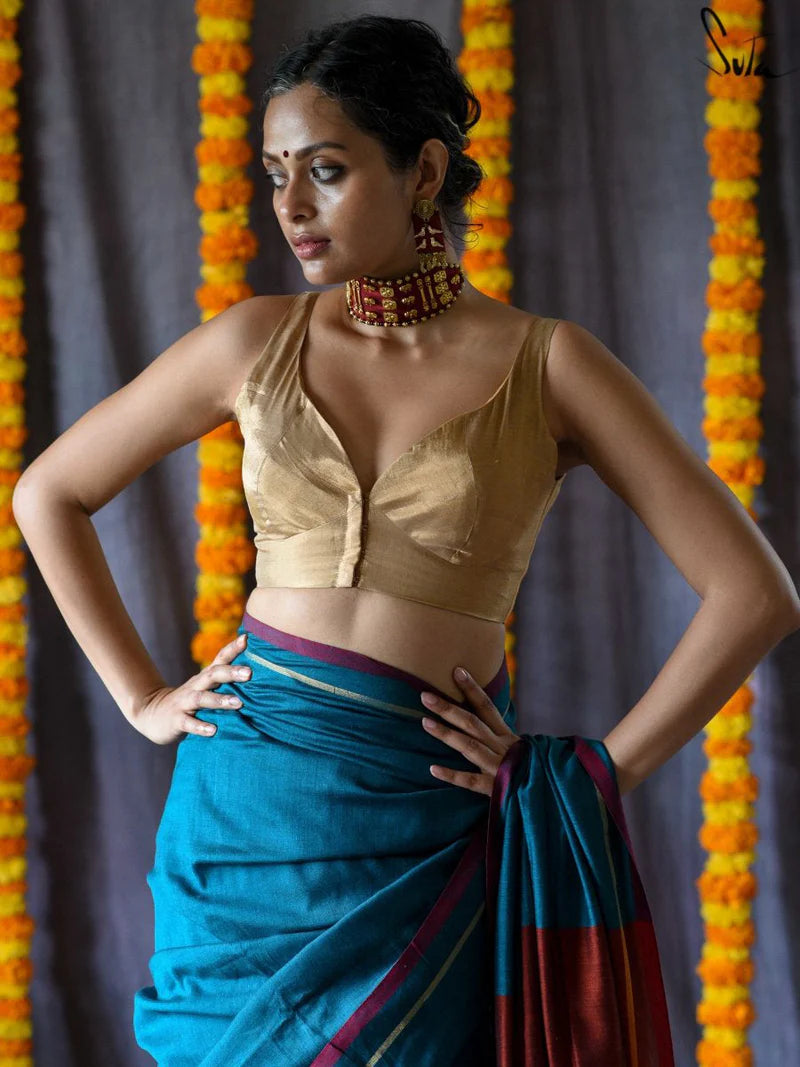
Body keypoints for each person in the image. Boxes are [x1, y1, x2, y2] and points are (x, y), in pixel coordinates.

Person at [13, 13, 800, 1067]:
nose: (289, 206)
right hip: (246, 817)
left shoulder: (547, 364)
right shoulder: (255, 339)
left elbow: (753, 592)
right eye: (275, 171)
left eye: (325, 170)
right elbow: (48, 492)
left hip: (424, 830)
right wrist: (143, 696)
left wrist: (590, 769)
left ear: (423, 169)